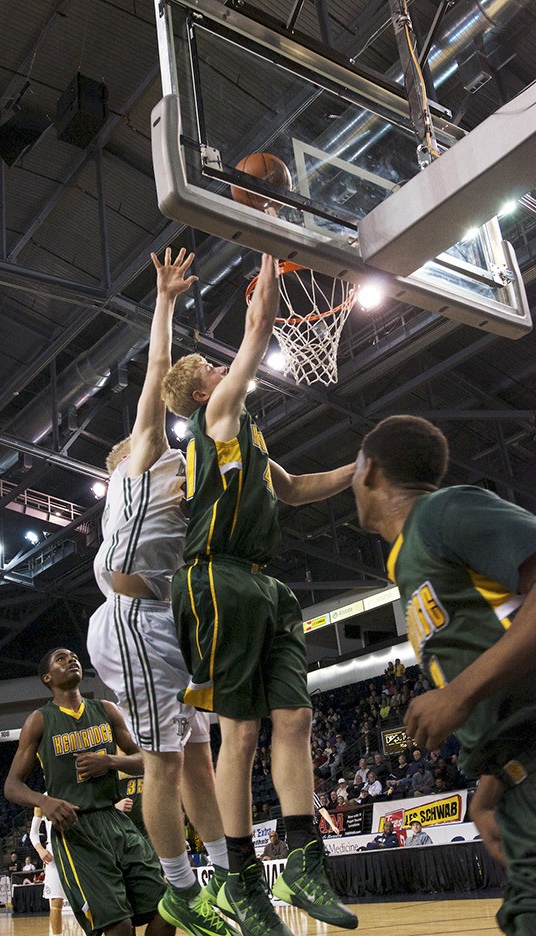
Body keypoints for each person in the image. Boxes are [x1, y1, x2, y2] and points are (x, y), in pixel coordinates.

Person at [162, 254, 358, 935]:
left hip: (263, 584)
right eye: (212, 367)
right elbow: (259, 327)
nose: (225, 368)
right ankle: (239, 877)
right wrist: (268, 247)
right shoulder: (216, 415)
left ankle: (303, 857)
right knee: (240, 733)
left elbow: (295, 489)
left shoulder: (246, 435)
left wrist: (360, 468)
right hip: (215, 579)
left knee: (295, 718)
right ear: (200, 391)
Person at [85, 247, 237, 936]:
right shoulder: (141, 459)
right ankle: (180, 893)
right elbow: (155, 369)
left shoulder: (187, 470)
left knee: (199, 754)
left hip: (164, 617)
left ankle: (228, 876)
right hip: (129, 618)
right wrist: (166, 300)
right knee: (163, 761)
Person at [351, 413, 536, 936]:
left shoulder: (443, 510)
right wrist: (490, 787)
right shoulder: (408, 562)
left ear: (369, 470)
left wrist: (458, 693)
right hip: (515, 774)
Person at [4, 647, 174, 936]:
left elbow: (146, 760)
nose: (71, 660)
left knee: (168, 910)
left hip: (116, 821)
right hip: (76, 831)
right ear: (47, 678)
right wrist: (44, 802)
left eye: (73, 656)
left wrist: (109, 761)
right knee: (119, 928)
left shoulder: (106, 709)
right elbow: (12, 785)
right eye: (61, 659)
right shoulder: (40, 720)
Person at [30, 801, 64, 936]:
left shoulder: (74, 791)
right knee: (56, 901)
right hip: (53, 851)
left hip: (75, 849)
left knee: (85, 899)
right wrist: (40, 850)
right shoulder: (42, 800)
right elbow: (33, 833)